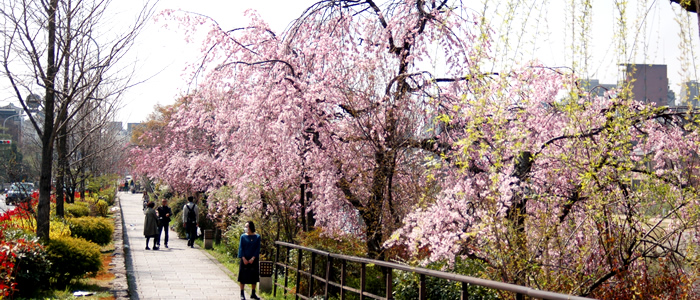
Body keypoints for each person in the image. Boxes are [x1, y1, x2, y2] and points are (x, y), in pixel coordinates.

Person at [238, 221, 261, 300]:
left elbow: (257, 249)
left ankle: (253, 293)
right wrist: (243, 258)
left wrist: (253, 258)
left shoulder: (257, 237)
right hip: (244, 259)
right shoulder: (243, 237)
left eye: (247, 226)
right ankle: (242, 293)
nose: (245, 228)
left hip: (253, 259)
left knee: (253, 276)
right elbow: (241, 248)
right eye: (245, 226)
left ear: (251, 227)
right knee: (242, 276)